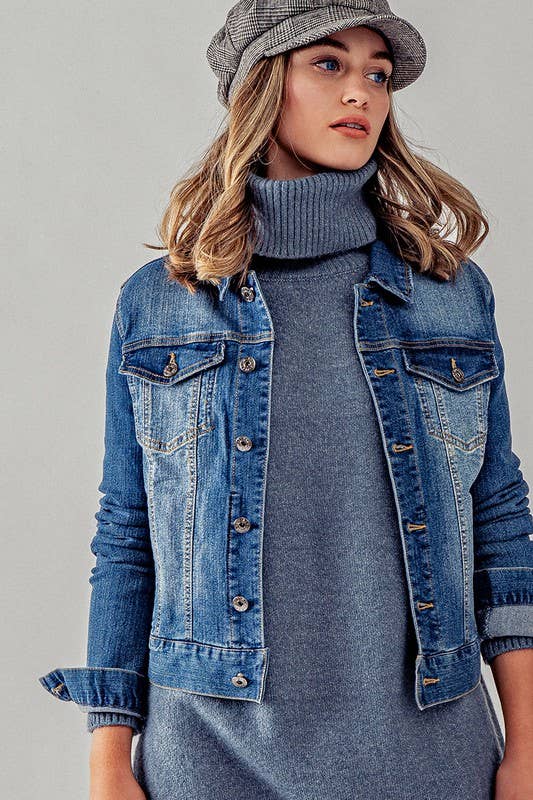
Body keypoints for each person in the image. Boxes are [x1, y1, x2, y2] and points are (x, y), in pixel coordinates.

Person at [38, 1, 533, 798]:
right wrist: (108, 763)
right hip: (208, 752)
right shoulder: (161, 303)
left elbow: (500, 518)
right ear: (260, 87)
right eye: (328, 64)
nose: (361, 92)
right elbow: (128, 533)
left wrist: (527, 750)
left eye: (377, 74)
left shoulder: (446, 294)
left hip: (425, 750)